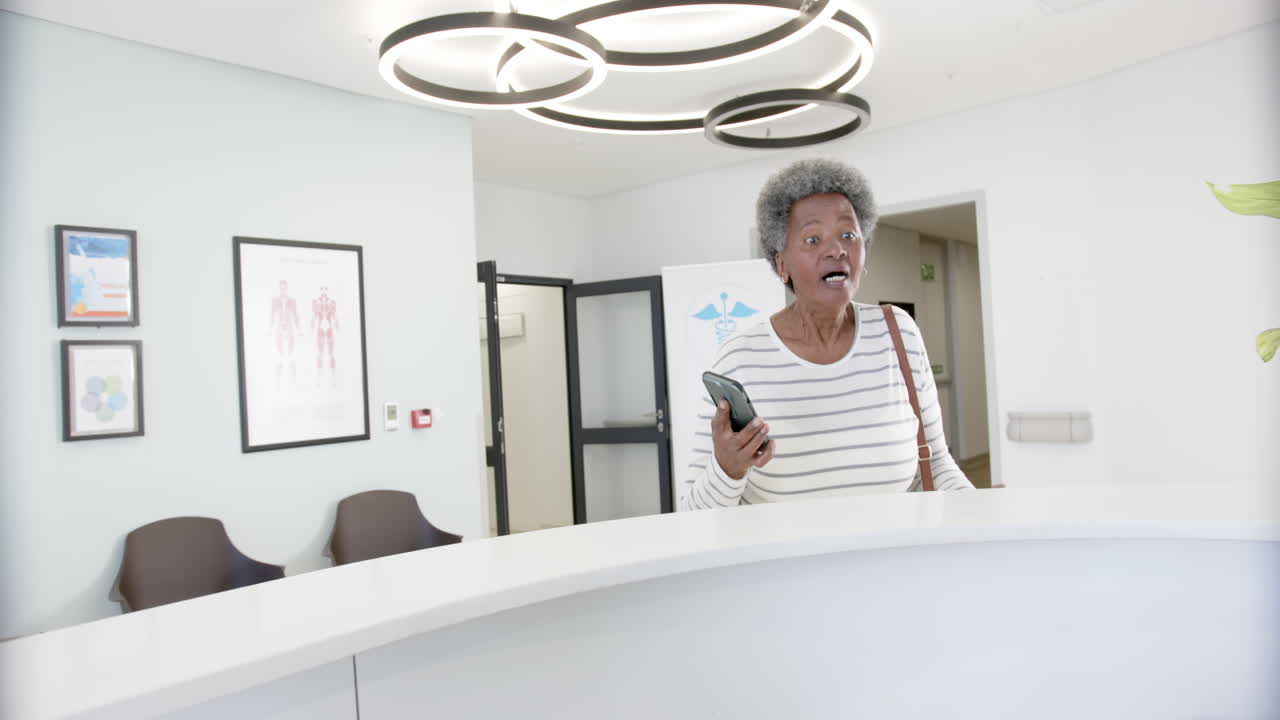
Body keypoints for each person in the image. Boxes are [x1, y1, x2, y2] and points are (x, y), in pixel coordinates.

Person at [679, 158, 972, 511]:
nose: (836, 250)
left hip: (891, 563)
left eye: (848, 235)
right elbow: (692, 514)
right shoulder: (740, 358)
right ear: (782, 264)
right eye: (813, 238)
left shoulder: (899, 333)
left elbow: (937, 464)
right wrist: (727, 470)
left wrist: (983, 512)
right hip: (785, 566)